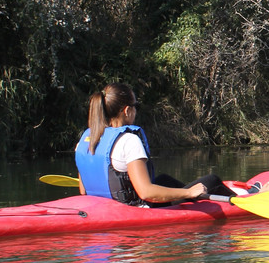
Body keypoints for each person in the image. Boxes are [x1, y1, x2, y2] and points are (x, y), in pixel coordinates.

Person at [75, 82, 232, 206]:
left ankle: (199, 201)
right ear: (127, 110)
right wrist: (188, 192)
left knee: (163, 179)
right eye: (136, 106)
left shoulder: (87, 139)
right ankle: (234, 203)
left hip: (104, 205)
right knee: (212, 180)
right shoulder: (128, 140)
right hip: (137, 208)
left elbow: (83, 191)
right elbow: (146, 193)